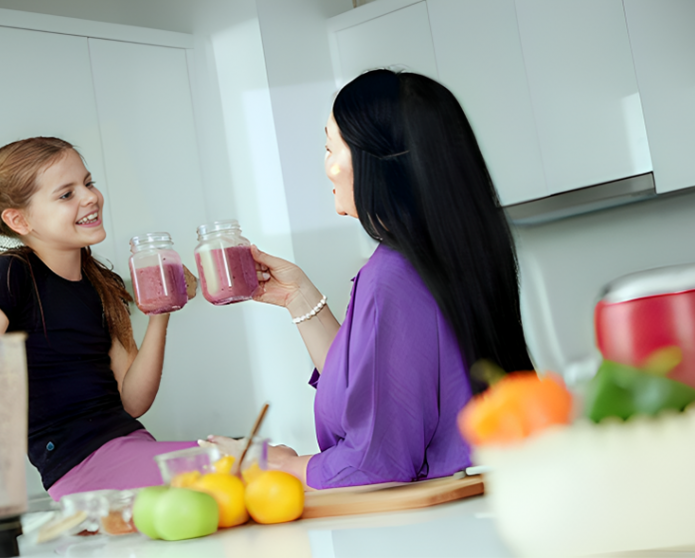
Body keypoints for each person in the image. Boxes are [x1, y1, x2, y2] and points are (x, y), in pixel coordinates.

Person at [206, 69, 533, 490]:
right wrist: (298, 297)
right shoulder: (448, 251)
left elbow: (375, 464)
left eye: (329, 147)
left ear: (369, 160)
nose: (326, 168)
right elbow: (375, 388)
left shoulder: (392, 276)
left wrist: (276, 464)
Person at [0, 137, 198, 500]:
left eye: (88, 183)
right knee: (259, 464)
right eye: (66, 194)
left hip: (128, 448)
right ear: (18, 219)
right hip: (82, 468)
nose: (90, 197)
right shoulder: (8, 274)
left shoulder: (102, 283)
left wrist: (161, 309)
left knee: (268, 458)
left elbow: (132, 401)